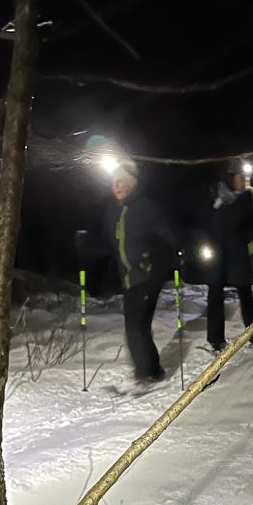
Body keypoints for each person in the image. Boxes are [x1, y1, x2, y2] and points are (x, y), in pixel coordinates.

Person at [102, 160, 175, 385]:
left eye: (122, 182)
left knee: (138, 326)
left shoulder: (145, 207)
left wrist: (176, 251)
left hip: (148, 274)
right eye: (114, 182)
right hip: (128, 277)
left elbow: (168, 233)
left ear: (132, 184)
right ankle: (149, 369)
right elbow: (107, 243)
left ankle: (147, 372)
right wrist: (86, 244)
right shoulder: (112, 211)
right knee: (132, 327)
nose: (117, 187)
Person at [207, 168, 253, 352]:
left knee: (246, 295)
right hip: (219, 256)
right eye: (240, 178)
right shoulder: (216, 198)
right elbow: (207, 224)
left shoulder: (244, 199)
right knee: (215, 296)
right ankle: (216, 340)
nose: (243, 181)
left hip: (238, 254)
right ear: (230, 178)